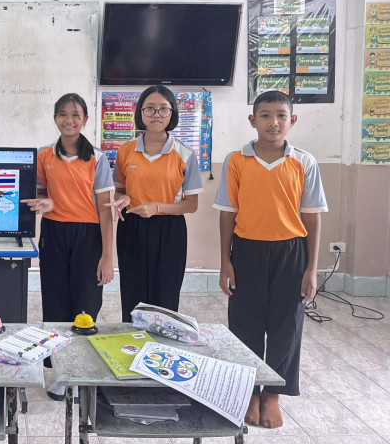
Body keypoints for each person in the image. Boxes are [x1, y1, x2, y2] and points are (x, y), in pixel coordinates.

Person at [214, 90, 327, 429]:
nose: (273, 122)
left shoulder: (304, 162)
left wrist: (311, 268)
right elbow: (227, 213)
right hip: (246, 251)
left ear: (292, 121)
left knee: (286, 326)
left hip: (291, 253)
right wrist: (225, 260)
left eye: (281, 115)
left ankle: (273, 392)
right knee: (244, 324)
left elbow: (312, 217)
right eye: (265, 115)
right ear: (253, 120)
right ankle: (249, 390)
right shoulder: (237, 160)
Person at [23, 93, 114, 401]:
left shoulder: (97, 158)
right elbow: (40, 195)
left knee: (85, 305)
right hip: (54, 235)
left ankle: (80, 371)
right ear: (55, 119)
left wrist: (107, 256)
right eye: (63, 114)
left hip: (89, 237)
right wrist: (47, 203)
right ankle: (62, 373)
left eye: (75, 114)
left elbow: (106, 211)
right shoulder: (43, 156)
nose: (69, 120)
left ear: (85, 120)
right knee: (56, 306)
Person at [108, 86, 202, 322]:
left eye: (163, 109)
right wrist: (124, 198)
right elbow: (120, 190)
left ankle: (163, 341)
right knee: (133, 293)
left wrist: (157, 207)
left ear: (172, 113)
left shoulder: (185, 154)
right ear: (140, 112)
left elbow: (191, 204)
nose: (156, 114)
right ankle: (132, 341)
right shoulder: (125, 151)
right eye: (149, 108)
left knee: (166, 295)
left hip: (170, 230)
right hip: (132, 227)